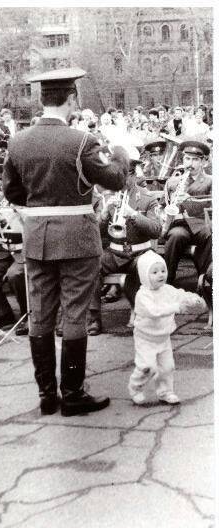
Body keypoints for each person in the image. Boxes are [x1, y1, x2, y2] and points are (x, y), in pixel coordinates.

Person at [3, 67, 129, 417]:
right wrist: (119, 150)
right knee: (75, 312)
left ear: (42, 100)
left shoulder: (18, 141)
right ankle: (72, 394)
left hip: (38, 237)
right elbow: (116, 180)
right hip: (77, 236)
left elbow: (11, 191)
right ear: (71, 99)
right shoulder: (81, 142)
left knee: (40, 313)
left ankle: (46, 395)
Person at [87, 153, 162, 335]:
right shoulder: (109, 199)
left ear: (134, 175)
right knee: (89, 268)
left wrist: (134, 214)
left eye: (125, 175)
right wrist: (104, 214)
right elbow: (97, 233)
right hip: (114, 253)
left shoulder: (147, 198)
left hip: (140, 253)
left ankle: (141, 313)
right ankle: (94, 318)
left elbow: (156, 230)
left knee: (142, 269)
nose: (120, 180)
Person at [128, 250, 206, 405]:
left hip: (163, 338)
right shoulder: (142, 295)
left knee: (167, 367)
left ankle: (165, 392)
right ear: (144, 275)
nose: (160, 275)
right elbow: (154, 312)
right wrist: (177, 307)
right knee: (147, 367)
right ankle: (135, 387)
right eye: (154, 272)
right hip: (145, 338)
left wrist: (192, 299)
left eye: (163, 270)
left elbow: (180, 294)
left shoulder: (167, 290)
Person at [162, 141, 212, 284]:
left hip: (202, 223)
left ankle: (206, 278)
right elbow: (161, 205)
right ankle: (167, 280)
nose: (191, 163)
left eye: (195, 159)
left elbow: (213, 204)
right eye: (187, 159)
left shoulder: (211, 181)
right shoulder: (172, 182)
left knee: (210, 235)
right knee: (176, 236)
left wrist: (191, 201)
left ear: (203, 162)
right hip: (180, 225)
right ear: (183, 160)